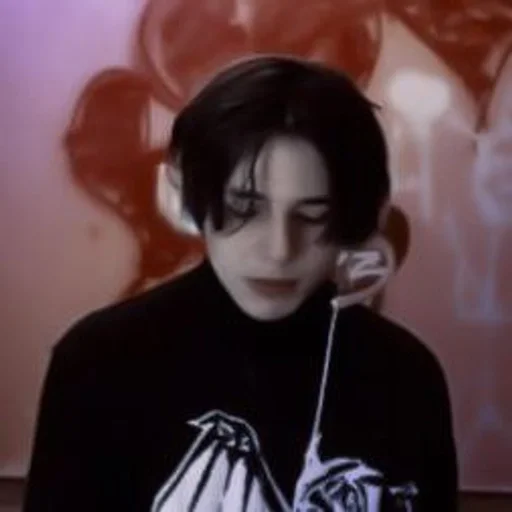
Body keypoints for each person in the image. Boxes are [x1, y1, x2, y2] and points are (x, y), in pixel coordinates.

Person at [23, 55, 458, 511]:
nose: (279, 250)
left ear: (352, 218)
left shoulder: (404, 376)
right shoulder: (100, 362)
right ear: (189, 197)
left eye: (313, 216)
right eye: (245, 209)